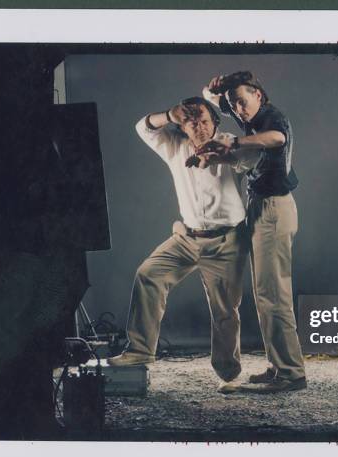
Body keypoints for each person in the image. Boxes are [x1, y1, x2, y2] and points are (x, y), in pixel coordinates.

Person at [107, 97, 259, 392]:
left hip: (226, 241)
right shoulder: (173, 145)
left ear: (215, 122)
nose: (199, 127)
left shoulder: (228, 141)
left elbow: (251, 161)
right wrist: (168, 114)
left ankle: (228, 372)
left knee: (226, 309)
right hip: (187, 238)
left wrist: (222, 155)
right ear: (182, 125)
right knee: (148, 275)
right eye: (191, 122)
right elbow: (143, 128)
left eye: (204, 121)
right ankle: (140, 351)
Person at [200, 71, 307, 393]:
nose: (239, 110)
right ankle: (279, 366)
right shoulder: (244, 108)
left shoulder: (273, 116)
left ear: (258, 95)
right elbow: (210, 97)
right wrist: (214, 89)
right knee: (266, 295)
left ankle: (291, 373)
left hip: (274, 210)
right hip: (260, 207)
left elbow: (276, 138)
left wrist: (235, 141)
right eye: (234, 105)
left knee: (273, 295)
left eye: (243, 102)